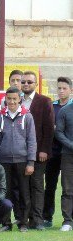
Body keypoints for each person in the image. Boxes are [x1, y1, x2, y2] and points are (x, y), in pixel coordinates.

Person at [0, 87, 36, 232]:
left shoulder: (27, 116)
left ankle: (23, 222)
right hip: (4, 161)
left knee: (24, 193)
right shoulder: (0, 117)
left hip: (22, 160)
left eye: (14, 99)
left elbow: (31, 140)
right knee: (6, 193)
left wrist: (31, 161)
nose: (11, 101)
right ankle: (6, 223)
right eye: (9, 98)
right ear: (5, 99)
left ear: (20, 99)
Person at [20, 71, 54, 230]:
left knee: (37, 186)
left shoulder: (44, 101)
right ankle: (24, 219)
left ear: (36, 84)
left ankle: (38, 220)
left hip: (39, 152)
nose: (26, 84)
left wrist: (45, 150)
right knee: (23, 187)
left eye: (29, 82)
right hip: (20, 152)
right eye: (24, 82)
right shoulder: (16, 100)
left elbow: (48, 128)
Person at [45, 77, 73, 228]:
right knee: (58, 186)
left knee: (68, 187)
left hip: (66, 153)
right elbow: (56, 131)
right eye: (59, 88)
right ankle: (57, 218)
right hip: (59, 153)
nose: (61, 91)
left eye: (65, 88)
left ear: (71, 90)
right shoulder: (58, 108)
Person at [55, 88, 73, 232]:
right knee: (67, 189)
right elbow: (59, 133)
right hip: (68, 155)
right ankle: (67, 220)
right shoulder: (65, 111)